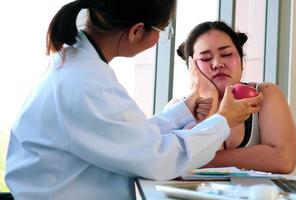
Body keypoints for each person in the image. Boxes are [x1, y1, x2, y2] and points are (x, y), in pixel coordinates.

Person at [5, 1, 264, 200]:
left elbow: (130, 136)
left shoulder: (82, 69)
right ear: (136, 31)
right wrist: (222, 121)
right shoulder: (85, 85)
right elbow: (156, 159)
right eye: (163, 30)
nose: (217, 64)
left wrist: (184, 111)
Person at [176, 21, 296, 174]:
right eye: (206, 59)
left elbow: (283, 160)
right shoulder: (179, 109)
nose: (217, 64)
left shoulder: (265, 94)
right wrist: (210, 100)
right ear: (192, 69)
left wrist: (198, 160)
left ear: (241, 60)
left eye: (226, 54)